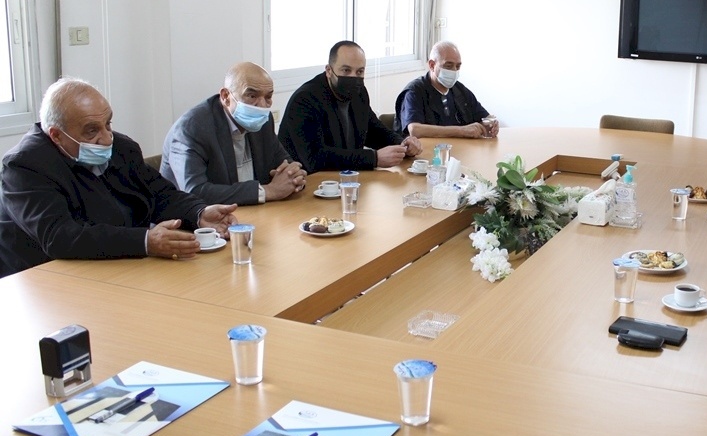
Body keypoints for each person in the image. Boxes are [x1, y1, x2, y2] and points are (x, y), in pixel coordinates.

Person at [0, 78, 239, 278]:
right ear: (56, 135)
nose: (106, 138)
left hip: (121, 265)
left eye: (108, 124)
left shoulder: (122, 148)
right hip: (48, 279)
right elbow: (60, 236)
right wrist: (145, 241)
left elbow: (160, 194)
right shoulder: (23, 167)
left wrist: (198, 213)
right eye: (92, 130)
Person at [161, 62, 306, 205]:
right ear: (226, 96)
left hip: (250, 212)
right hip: (191, 218)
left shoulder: (263, 120)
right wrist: (268, 191)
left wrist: (294, 176)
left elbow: (285, 164)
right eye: (252, 96)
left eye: (268, 97)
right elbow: (195, 191)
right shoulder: (191, 128)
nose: (262, 106)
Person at [278, 40, 422, 172]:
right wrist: (374, 158)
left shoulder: (359, 92)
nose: (353, 77)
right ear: (329, 70)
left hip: (348, 178)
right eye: (346, 70)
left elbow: (373, 130)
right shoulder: (305, 100)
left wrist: (402, 143)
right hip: (308, 182)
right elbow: (315, 158)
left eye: (359, 71)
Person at [395, 40, 498, 138]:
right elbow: (414, 129)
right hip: (426, 149)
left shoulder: (460, 90)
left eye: (458, 66)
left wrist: (492, 124)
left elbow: (484, 117)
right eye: (448, 66)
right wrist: (461, 131)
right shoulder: (415, 91)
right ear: (432, 65)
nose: (454, 71)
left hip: (460, 148)